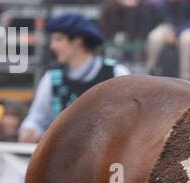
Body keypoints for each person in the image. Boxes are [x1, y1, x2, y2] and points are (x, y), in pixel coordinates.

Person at [17, 13, 129, 143]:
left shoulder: (116, 73)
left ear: (77, 41)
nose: (52, 46)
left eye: (58, 40)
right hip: (63, 159)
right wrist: (30, 129)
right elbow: (36, 119)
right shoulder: (52, 78)